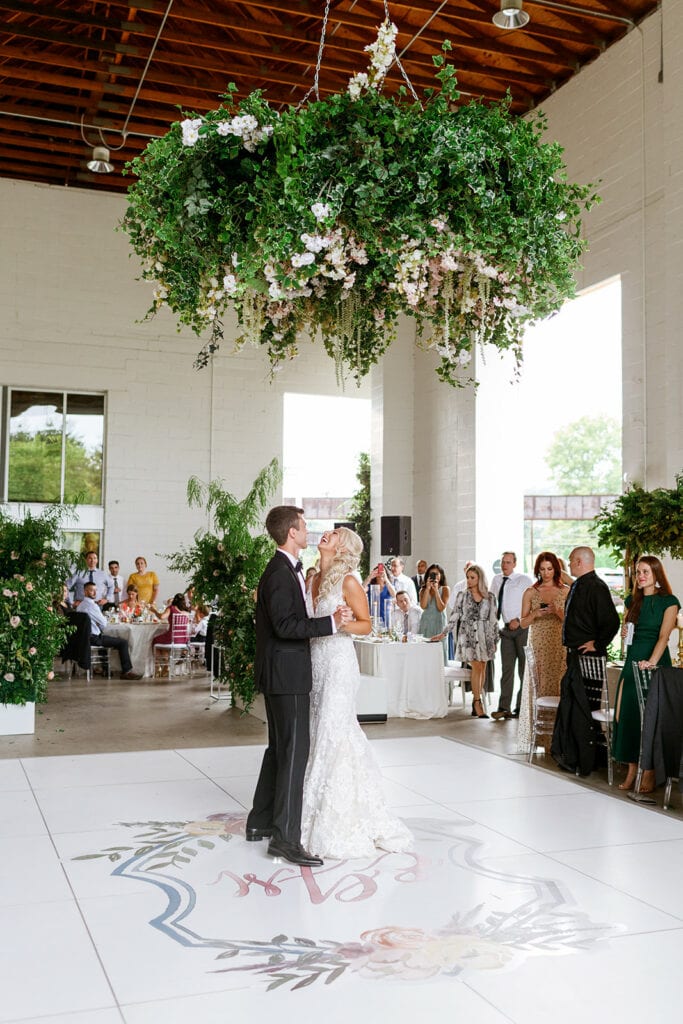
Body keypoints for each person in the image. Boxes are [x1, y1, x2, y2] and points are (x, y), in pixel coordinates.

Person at [246, 506, 352, 868]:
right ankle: (285, 839)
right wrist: (330, 625)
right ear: (292, 532)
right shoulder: (279, 573)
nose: (309, 531)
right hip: (287, 674)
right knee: (294, 755)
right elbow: (287, 627)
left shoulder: (282, 571)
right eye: (304, 526)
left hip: (282, 673)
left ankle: (260, 820)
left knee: (279, 750)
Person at [301, 527, 412, 859]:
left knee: (334, 733)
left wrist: (340, 623)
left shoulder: (348, 580)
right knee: (318, 732)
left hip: (338, 663)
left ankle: (340, 819)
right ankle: (312, 810)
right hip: (315, 663)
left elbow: (366, 623)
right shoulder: (312, 579)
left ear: (343, 548)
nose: (327, 534)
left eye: (335, 534)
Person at [551, 546, 621, 775]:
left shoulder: (596, 586)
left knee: (583, 709)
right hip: (576, 657)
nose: (569, 565)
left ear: (580, 562)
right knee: (573, 706)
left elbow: (611, 621)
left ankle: (584, 761)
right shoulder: (581, 584)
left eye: (571, 561)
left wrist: (597, 644)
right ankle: (573, 757)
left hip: (588, 658)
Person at [611, 556, 679, 791]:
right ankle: (632, 770)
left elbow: (664, 636)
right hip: (632, 660)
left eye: (646, 572)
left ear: (657, 575)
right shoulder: (632, 600)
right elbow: (628, 632)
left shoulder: (669, 601)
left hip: (655, 663)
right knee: (626, 714)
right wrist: (624, 633)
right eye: (638, 572)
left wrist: (651, 662)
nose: (640, 576)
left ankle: (648, 771)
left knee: (649, 718)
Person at [516, 552, 570, 753]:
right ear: (537, 569)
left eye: (550, 569)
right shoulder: (531, 592)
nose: (546, 573)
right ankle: (541, 740)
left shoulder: (565, 591)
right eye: (542, 569)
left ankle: (559, 740)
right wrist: (535, 614)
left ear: (556, 569)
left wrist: (557, 612)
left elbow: (572, 623)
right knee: (540, 687)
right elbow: (522, 623)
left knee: (558, 686)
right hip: (538, 644)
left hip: (559, 644)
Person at [433, 564, 498, 718]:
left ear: (480, 578)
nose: (469, 580)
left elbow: (494, 620)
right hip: (467, 636)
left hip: (484, 636)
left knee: (482, 667)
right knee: (476, 666)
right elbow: (454, 616)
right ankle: (477, 702)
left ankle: (477, 703)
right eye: (467, 577)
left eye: (472, 578)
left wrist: (495, 640)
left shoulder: (490, 597)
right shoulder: (462, 596)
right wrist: (444, 633)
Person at [489, 552, 533, 720]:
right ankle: (503, 707)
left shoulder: (524, 580)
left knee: (523, 670)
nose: (504, 565)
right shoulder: (497, 580)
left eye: (508, 562)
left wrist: (520, 620)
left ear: (514, 563)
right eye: (503, 562)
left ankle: (521, 708)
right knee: (506, 670)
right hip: (505, 630)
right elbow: (492, 602)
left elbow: (532, 603)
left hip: (522, 628)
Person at [78, 581, 142, 679]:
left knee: (104, 637)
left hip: (85, 638)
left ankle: (105, 669)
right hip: (93, 638)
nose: (95, 593)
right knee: (123, 642)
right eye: (92, 590)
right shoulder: (92, 606)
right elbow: (104, 623)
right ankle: (126, 672)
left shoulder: (80, 606)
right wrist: (100, 623)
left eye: (96, 590)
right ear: (85, 592)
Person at [418, 563, 450, 663]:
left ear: (441, 575)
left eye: (436, 574)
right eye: (432, 574)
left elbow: (441, 607)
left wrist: (436, 591)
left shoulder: (445, 589)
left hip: (439, 623)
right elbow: (423, 606)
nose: (434, 576)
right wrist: (427, 589)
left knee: (439, 653)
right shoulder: (423, 590)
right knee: (425, 652)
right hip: (426, 623)